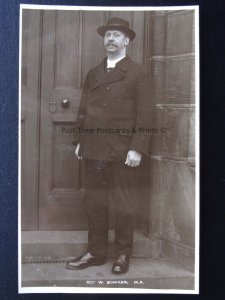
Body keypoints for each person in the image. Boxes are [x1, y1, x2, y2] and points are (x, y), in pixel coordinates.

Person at [66, 17, 153, 274]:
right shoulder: (94, 73)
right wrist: (80, 140)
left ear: (127, 41)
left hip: (123, 151)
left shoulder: (139, 73)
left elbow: (146, 114)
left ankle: (123, 254)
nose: (111, 39)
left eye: (116, 35)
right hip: (94, 149)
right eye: (108, 35)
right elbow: (83, 109)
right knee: (95, 202)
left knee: (124, 204)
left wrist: (137, 147)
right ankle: (96, 252)